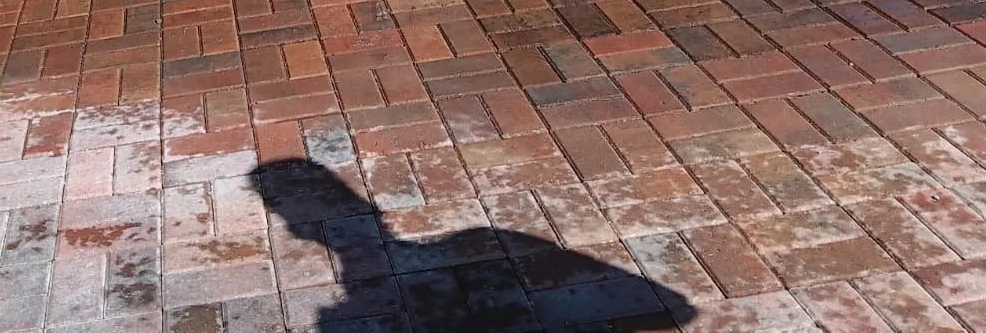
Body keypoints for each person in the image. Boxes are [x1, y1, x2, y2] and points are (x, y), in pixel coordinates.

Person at [250, 158, 697, 331]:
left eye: (279, 208)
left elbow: (679, 309)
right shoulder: (474, 243)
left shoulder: (482, 240)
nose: (288, 223)